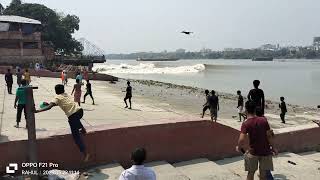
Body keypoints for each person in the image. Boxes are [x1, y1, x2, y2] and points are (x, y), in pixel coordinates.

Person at [35, 84, 89, 162]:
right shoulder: (66, 94)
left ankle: (85, 153)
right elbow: (64, 103)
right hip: (80, 111)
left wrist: (37, 111)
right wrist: (50, 104)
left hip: (73, 115)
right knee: (74, 119)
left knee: (76, 136)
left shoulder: (57, 97)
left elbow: (50, 107)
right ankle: (82, 129)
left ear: (56, 91)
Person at [236, 101, 277, 180]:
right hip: (265, 151)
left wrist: (239, 147)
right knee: (263, 174)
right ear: (255, 109)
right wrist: (274, 148)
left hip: (253, 152)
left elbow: (241, 139)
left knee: (250, 173)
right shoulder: (263, 120)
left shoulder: (246, 123)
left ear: (246, 110)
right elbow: (269, 136)